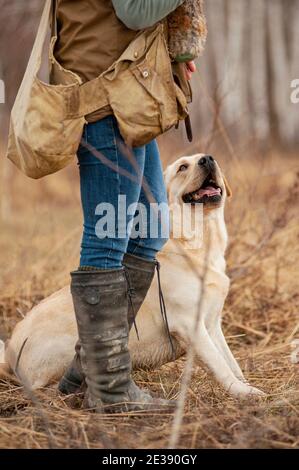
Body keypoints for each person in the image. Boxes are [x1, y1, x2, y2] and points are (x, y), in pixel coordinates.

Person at [53, 0, 196, 412]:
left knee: (149, 230)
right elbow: (134, 10)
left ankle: (86, 373)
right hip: (104, 96)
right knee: (107, 236)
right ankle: (111, 391)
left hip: (128, 93)